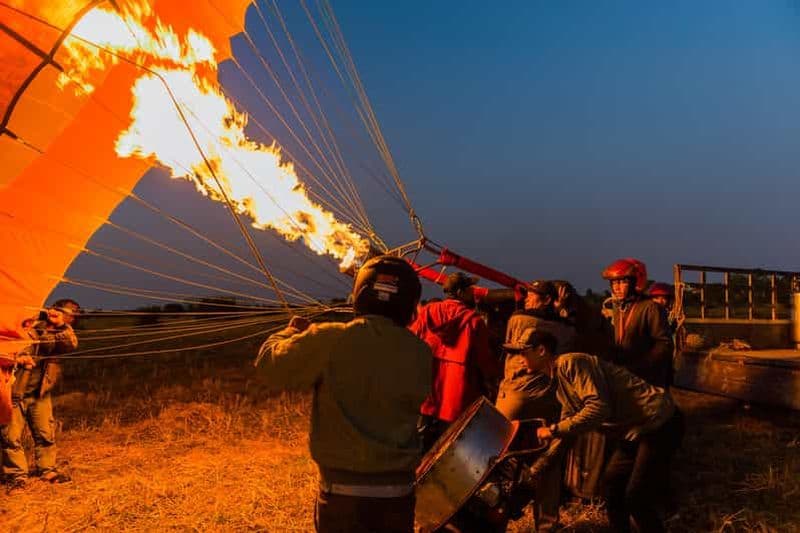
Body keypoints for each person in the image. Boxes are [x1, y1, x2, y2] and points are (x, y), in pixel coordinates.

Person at [254, 255, 432, 533]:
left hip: (343, 497)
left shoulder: (331, 339)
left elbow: (270, 367)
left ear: (359, 295)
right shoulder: (421, 353)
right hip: (398, 497)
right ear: (410, 303)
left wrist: (288, 333)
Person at [513, 329, 684, 533]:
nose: (518, 359)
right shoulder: (560, 384)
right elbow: (568, 429)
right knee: (611, 489)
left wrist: (552, 429)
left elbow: (598, 408)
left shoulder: (571, 363)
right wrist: (537, 468)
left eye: (523, 353)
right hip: (634, 430)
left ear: (541, 350)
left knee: (636, 497)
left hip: (659, 421)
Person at [410, 271, 499, 450]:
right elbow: (483, 358)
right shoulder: (474, 321)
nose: (473, 292)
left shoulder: (428, 311)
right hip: (457, 392)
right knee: (449, 445)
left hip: (428, 386)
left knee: (419, 437)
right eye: (469, 289)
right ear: (460, 292)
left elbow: (411, 339)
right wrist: (494, 378)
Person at [1, 299, 80, 493]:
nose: (69, 317)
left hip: (39, 393)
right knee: (11, 437)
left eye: (70, 316)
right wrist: (16, 360)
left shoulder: (50, 333)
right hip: (13, 392)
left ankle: (48, 470)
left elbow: (70, 344)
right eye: (66, 313)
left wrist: (59, 325)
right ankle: (16, 476)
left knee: (45, 433)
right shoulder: (14, 327)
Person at [496, 280, 576, 421]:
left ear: (546, 299)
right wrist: (559, 308)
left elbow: (508, 346)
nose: (526, 299)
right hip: (549, 397)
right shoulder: (568, 329)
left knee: (499, 436)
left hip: (517, 391)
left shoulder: (518, 319)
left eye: (531, 295)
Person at [602, 258, 673, 389]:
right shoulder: (618, 308)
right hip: (624, 376)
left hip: (648, 380)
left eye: (622, 282)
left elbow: (664, 344)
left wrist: (642, 365)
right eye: (613, 282)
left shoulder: (651, 307)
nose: (616, 287)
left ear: (634, 282)